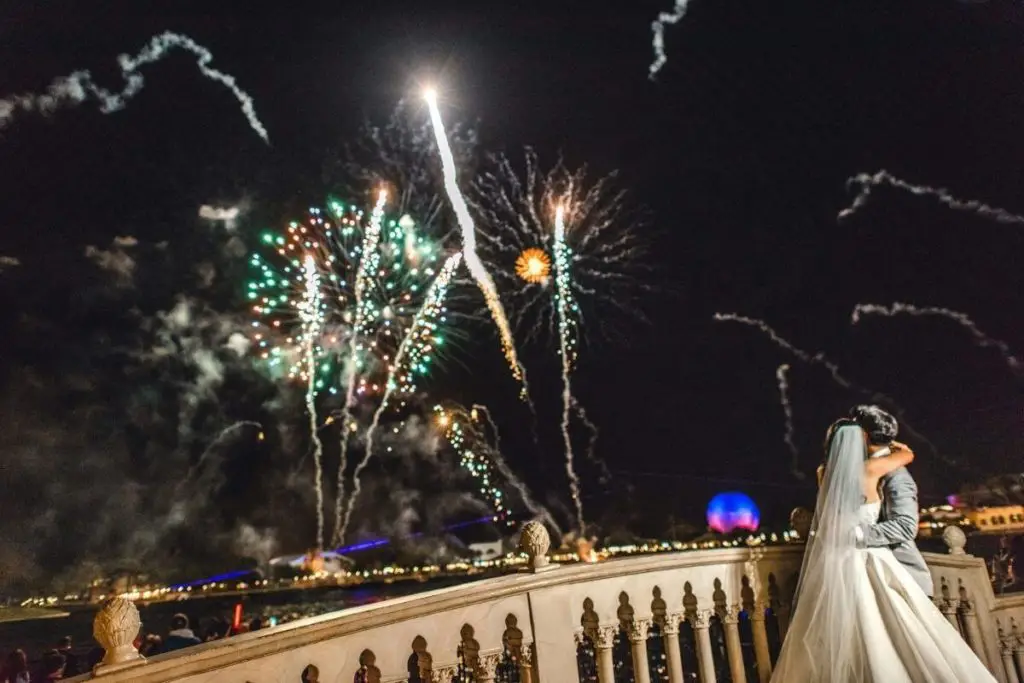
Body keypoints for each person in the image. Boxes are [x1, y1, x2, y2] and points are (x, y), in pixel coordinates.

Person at [771, 413, 997, 681]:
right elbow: (907, 455)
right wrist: (899, 449)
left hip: (837, 561)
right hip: (869, 558)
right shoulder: (870, 470)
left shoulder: (824, 474)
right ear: (861, 440)